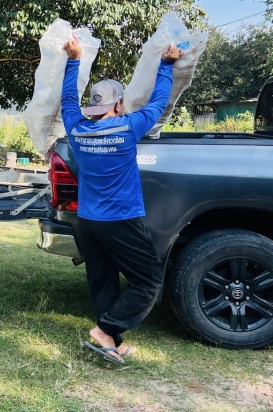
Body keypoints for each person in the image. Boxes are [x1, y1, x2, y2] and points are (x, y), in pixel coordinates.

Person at [60, 38, 183, 363]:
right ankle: (106, 330)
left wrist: (74, 60)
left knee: (103, 281)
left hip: (88, 222)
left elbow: (68, 100)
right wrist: (166, 65)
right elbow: (158, 103)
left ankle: (110, 344)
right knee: (149, 281)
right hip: (119, 221)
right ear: (117, 105)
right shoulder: (128, 127)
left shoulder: (77, 128)